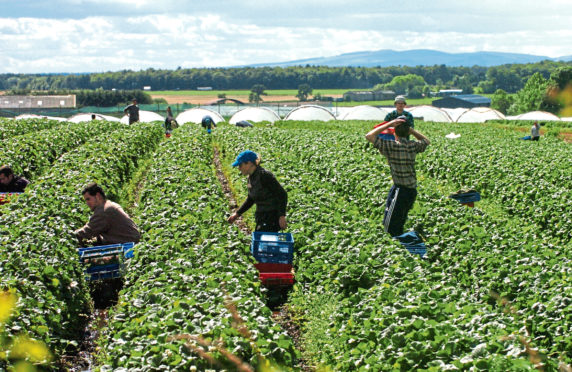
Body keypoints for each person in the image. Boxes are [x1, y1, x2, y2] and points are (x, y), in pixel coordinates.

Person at [365, 118, 430, 237]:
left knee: (389, 226)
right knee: (399, 221)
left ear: (394, 133)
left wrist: (389, 124)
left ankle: (398, 246)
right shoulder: (413, 145)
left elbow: (369, 135)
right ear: (408, 133)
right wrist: (412, 131)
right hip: (410, 190)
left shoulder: (391, 146)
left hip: (400, 190)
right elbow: (426, 141)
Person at [227, 150, 288, 232]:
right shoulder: (251, 178)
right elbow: (251, 199)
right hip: (262, 217)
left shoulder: (264, 175)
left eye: (240, 165)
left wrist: (281, 216)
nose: (239, 168)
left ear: (248, 163)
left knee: (264, 242)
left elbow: (282, 194)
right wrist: (237, 214)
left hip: (271, 218)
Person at [74, 183, 140, 246]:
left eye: (88, 199)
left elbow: (88, 231)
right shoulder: (109, 205)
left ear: (98, 196)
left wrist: (71, 235)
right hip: (131, 240)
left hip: (127, 244)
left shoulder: (104, 211)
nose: (87, 203)